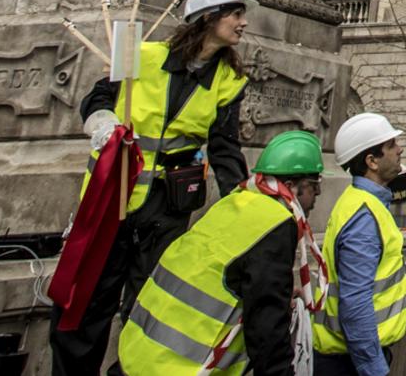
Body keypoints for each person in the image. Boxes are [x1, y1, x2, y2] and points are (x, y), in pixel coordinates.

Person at [53, 0, 253, 375]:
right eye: (235, 14)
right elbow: (96, 99)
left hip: (168, 206)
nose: (242, 23)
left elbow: (225, 148)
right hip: (112, 195)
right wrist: (103, 122)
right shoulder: (139, 54)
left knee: (150, 303)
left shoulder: (230, 82)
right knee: (89, 300)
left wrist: (241, 204)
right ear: (207, 18)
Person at [118, 130, 328, 375]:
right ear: (291, 186)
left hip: (138, 354)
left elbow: (226, 277)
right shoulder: (275, 222)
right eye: (314, 186)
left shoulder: (236, 203)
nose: (319, 195)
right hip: (180, 368)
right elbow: (267, 329)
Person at [313, 113, 406, 376]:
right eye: (391, 146)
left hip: (350, 357)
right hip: (350, 363)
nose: (400, 149)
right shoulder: (364, 218)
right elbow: (355, 303)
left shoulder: (362, 205)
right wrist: (375, 369)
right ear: (372, 161)